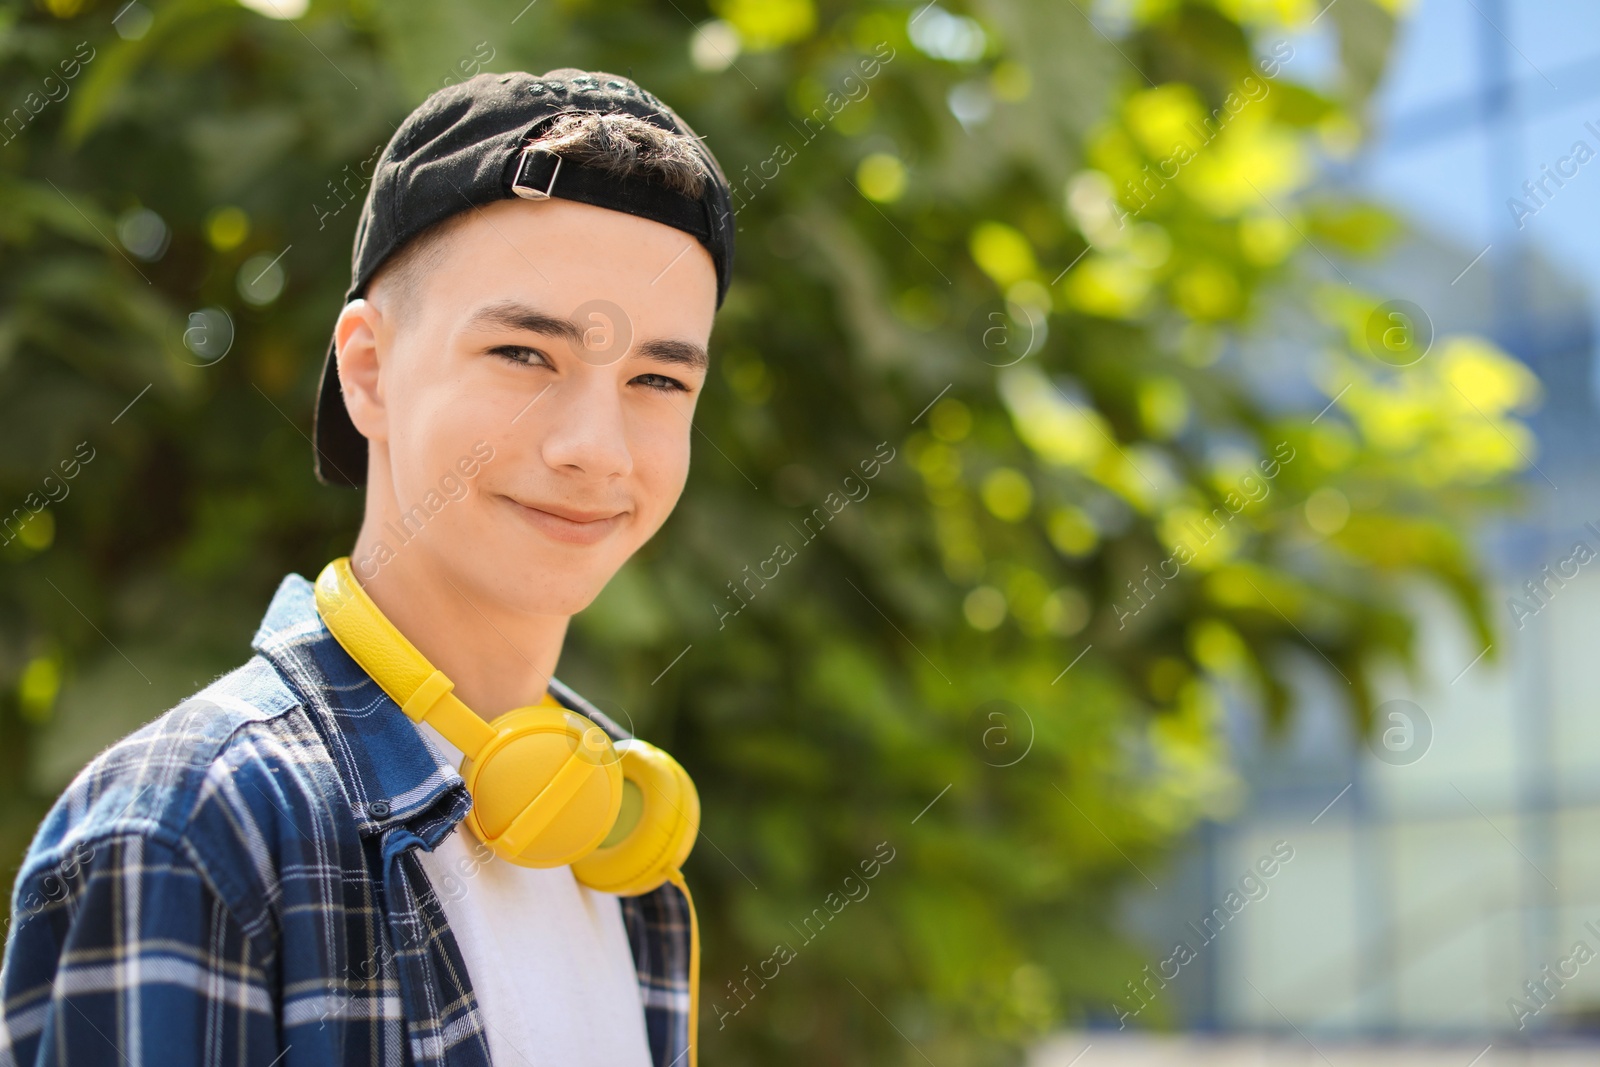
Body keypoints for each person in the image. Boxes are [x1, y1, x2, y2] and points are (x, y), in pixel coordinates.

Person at [0, 68, 736, 1067]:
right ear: (367, 368)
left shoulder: (615, 848)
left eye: (658, 377)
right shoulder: (192, 832)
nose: (595, 447)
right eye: (524, 353)